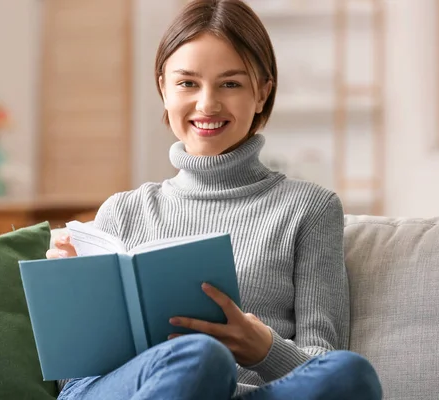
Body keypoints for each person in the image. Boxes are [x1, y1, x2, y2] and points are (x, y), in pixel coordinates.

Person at [47, 0, 382, 399]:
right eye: (187, 83)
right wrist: (72, 298)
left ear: (262, 94)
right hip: (133, 389)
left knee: (350, 373)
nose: (207, 104)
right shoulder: (122, 211)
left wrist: (263, 348)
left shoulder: (310, 208)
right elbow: (73, 380)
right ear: (164, 90)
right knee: (200, 357)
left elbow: (322, 360)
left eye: (230, 83)